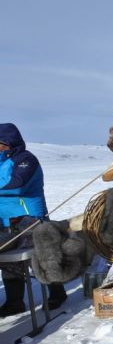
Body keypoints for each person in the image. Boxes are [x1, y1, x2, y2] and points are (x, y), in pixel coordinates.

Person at [0, 123, 67, 317]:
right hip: (4, 221)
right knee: (8, 263)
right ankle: (14, 302)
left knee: (42, 257)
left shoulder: (26, 160)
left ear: (8, 142)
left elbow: (17, 184)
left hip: (29, 219)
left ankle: (57, 293)